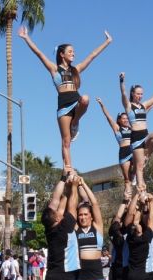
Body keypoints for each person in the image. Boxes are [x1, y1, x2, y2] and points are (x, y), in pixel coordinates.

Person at [18, 26, 112, 171]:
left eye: (73, 52)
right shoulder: (54, 69)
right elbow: (38, 53)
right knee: (66, 142)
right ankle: (68, 169)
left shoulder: (77, 69)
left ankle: (75, 122)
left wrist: (107, 42)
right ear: (62, 54)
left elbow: (92, 55)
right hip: (63, 106)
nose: (73, 54)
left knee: (86, 99)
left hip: (76, 102)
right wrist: (26, 38)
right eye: (70, 52)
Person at [119, 72, 153, 191]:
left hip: (145, 135)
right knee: (139, 167)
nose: (140, 96)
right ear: (133, 94)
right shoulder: (128, 106)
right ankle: (141, 189)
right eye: (138, 94)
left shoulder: (143, 105)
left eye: (142, 94)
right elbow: (123, 93)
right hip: (136, 139)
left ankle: (146, 157)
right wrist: (122, 82)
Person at [96, 98, 134, 187]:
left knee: (139, 164)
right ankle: (127, 199)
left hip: (132, 151)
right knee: (127, 180)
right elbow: (108, 116)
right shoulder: (117, 128)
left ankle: (135, 175)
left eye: (127, 118)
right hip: (124, 153)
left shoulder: (132, 128)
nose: (126, 120)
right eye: (123, 119)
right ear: (119, 120)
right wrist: (102, 105)